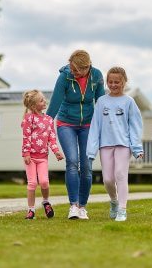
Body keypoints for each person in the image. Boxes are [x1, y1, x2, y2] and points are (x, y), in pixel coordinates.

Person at [47, 50, 105, 220]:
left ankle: (82, 206)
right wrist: (45, 124)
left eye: (76, 70)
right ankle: (73, 205)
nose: (73, 72)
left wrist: (104, 126)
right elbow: (55, 102)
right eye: (71, 69)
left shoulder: (96, 76)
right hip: (66, 124)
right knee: (72, 162)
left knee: (86, 166)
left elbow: (100, 102)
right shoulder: (65, 77)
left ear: (86, 68)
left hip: (88, 125)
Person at [86, 67, 143, 222]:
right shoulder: (101, 101)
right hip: (105, 145)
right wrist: (91, 151)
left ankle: (122, 209)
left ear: (123, 82)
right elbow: (95, 126)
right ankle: (114, 201)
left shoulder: (129, 102)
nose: (113, 84)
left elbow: (135, 125)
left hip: (123, 145)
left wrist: (137, 148)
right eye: (110, 82)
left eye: (117, 82)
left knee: (120, 174)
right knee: (108, 179)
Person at [21, 90, 64, 220]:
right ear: (34, 106)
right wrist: (26, 153)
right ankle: (31, 210)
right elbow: (26, 137)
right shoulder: (29, 119)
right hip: (31, 157)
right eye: (41, 100)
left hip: (42, 157)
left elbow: (51, 138)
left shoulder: (49, 120)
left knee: (44, 182)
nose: (44, 101)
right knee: (32, 183)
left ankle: (45, 202)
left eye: (44, 99)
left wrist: (56, 151)